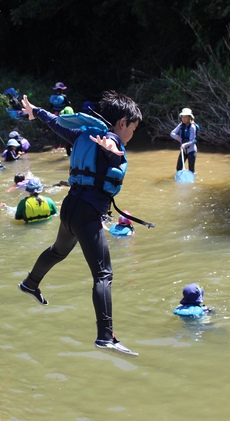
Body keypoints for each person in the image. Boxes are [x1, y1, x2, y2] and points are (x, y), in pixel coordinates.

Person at [17, 90, 142, 356]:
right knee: (103, 275)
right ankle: (105, 336)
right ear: (122, 123)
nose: (133, 133)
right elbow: (111, 154)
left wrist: (36, 111)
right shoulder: (111, 142)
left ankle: (30, 283)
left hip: (70, 207)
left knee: (57, 251)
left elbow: (55, 122)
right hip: (87, 213)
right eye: (133, 127)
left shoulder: (83, 135)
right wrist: (113, 154)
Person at [170, 108, 198, 173]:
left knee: (191, 170)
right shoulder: (180, 125)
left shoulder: (192, 127)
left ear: (189, 118)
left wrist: (185, 144)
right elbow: (172, 133)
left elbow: (192, 140)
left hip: (191, 150)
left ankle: (191, 180)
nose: (183, 119)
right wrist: (177, 137)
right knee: (178, 168)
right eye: (182, 117)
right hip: (183, 150)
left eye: (185, 117)